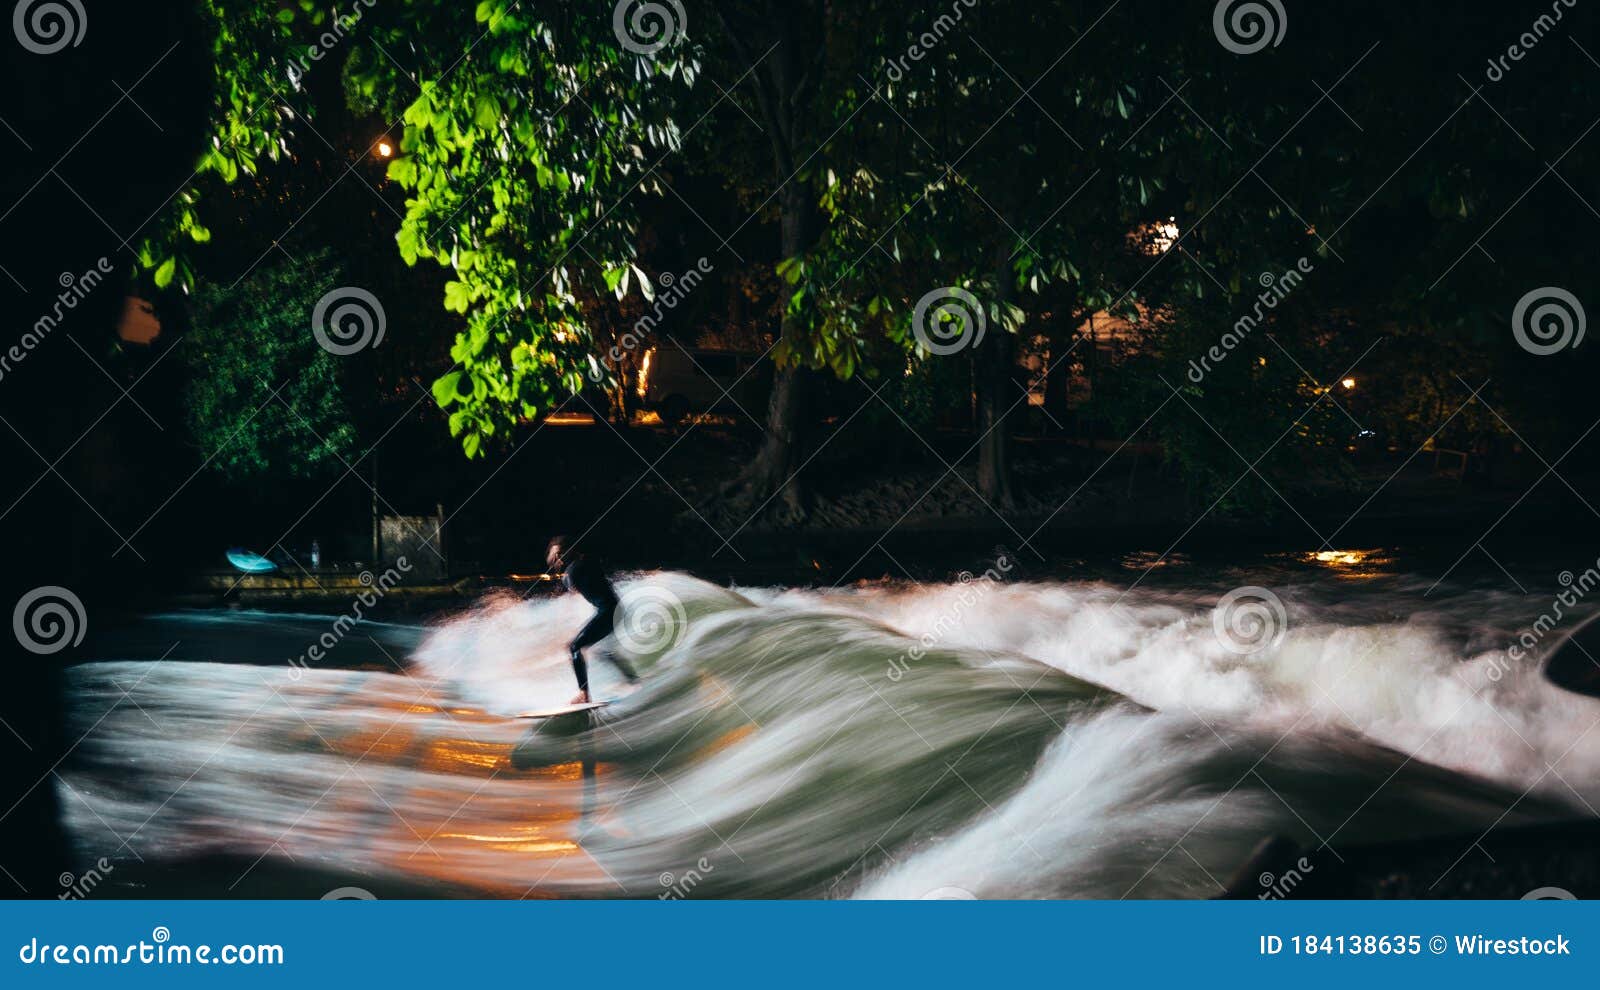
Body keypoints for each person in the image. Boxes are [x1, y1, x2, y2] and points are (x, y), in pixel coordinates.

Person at [547, 536, 640, 703]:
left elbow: (571, 585)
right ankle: (633, 679)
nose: (559, 558)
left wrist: (557, 564)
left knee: (574, 647)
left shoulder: (575, 569)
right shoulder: (586, 560)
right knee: (601, 650)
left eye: (560, 554)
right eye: (557, 555)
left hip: (609, 612)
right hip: (616, 610)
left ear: (571, 549)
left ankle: (584, 694)